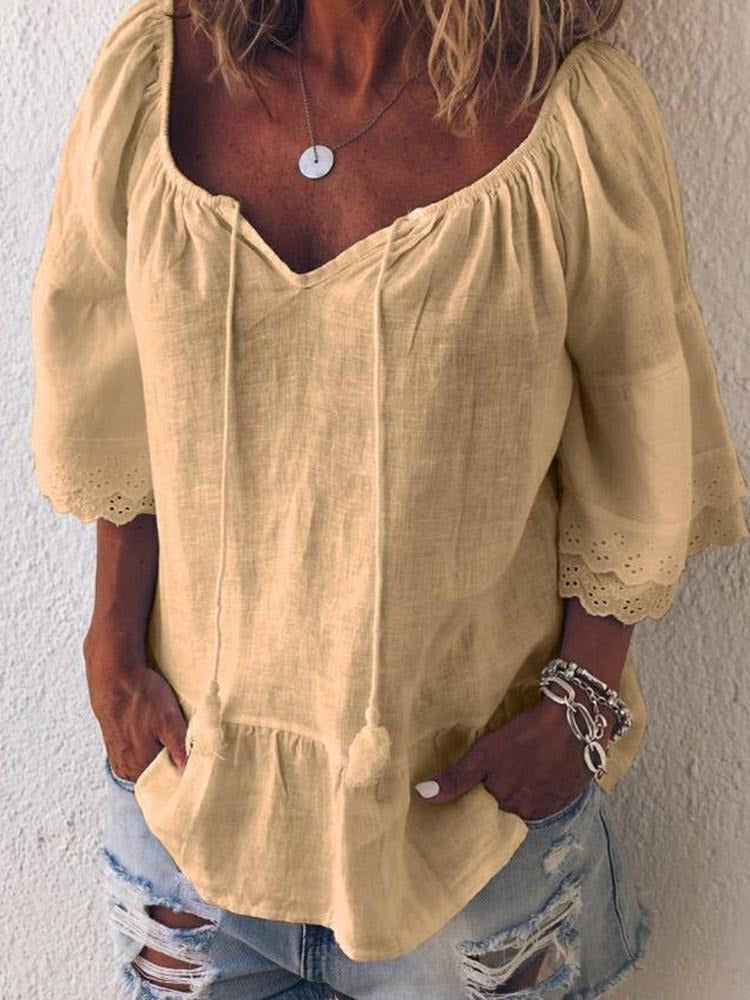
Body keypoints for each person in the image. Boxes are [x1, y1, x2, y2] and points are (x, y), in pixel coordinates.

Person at [29, 0, 750, 996]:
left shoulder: (570, 120)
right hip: (190, 827)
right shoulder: (154, 80)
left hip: (472, 859)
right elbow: (109, 397)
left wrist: (579, 707)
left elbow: (640, 438)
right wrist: (111, 641)